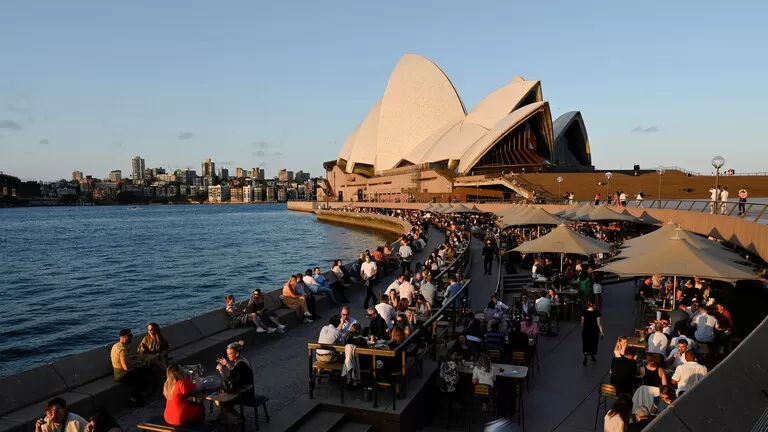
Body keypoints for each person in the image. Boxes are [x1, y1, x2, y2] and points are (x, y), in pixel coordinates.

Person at [215, 341, 255, 423]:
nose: (227, 356)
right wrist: (226, 364)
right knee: (224, 400)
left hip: (245, 394)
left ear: (236, 354)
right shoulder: (243, 360)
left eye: (229, 354)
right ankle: (222, 417)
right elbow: (234, 373)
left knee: (220, 402)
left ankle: (239, 417)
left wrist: (221, 371)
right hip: (247, 389)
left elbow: (229, 381)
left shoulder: (240, 365)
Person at [111, 329, 152, 406]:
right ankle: (134, 398)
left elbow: (122, 360)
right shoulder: (123, 350)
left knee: (144, 372)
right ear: (125, 337)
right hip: (123, 375)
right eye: (130, 335)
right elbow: (126, 367)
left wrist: (133, 357)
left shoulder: (116, 346)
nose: (131, 337)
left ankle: (139, 397)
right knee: (145, 380)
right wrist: (138, 361)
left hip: (118, 373)